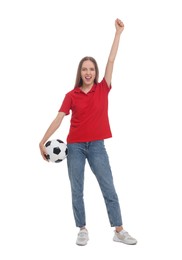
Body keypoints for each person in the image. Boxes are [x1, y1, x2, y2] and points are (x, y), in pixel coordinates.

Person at [39, 18, 137, 246]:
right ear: (80, 72)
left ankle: (119, 229)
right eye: (85, 69)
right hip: (74, 148)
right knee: (77, 189)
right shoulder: (71, 95)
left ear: (96, 71)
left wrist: (118, 34)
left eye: (91, 69)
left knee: (108, 186)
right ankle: (82, 228)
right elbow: (59, 119)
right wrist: (42, 141)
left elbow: (111, 59)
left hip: (97, 146)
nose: (88, 72)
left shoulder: (103, 88)